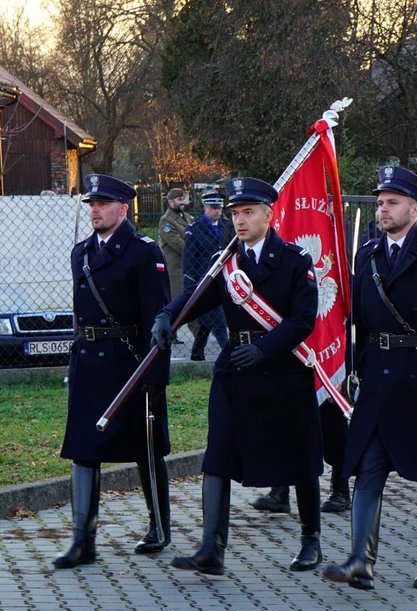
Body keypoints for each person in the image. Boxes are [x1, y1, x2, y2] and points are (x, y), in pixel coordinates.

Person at [152, 177, 324, 575]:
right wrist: (168, 315)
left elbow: (303, 320)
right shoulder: (227, 262)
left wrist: (265, 348)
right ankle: (212, 548)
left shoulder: (295, 260)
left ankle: (310, 540)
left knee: (298, 455)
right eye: (235, 213)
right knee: (219, 452)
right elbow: (198, 295)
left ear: (269, 214)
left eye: (248, 212)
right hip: (235, 369)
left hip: (283, 366)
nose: (240, 220)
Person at [324, 166, 417, 591]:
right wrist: (356, 368)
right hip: (380, 382)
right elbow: (360, 322)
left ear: (415, 208)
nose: (382, 210)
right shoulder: (366, 253)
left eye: (391, 203)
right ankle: (360, 559)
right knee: (367, 469)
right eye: (379, 202)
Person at [56, 174, 172, 568]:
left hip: (130, 363)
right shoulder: (81, 253)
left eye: (103, 204)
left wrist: (155, 379)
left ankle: (159, 526)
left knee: (146, 447)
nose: (95, 210)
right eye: (91, 204)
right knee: (83, 450)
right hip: (89, 361)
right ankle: (82, 541)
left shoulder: (144, 252)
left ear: (123, 209)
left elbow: (159, 321)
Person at [184, 190, 231, 361]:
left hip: (225, 280)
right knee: (218, 321)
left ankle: (197, 353)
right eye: (213, 208)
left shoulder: (227, 225)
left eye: (219, 207)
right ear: (205, 207)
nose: (217, 211)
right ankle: (229, 356)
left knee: (207, 320)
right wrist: (190, 285)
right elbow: (189, 260)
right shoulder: (194, 229)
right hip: (204, 281)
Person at [159, 188, 193, 341]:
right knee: (177, 302)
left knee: (192, 302)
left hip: (190, 268)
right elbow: (178, 244)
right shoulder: (166, 221)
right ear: (171, 202)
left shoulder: (187, 217)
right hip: (176, 269)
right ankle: (170, 333)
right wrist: (196, 249)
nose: (182, 202)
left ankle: (197, 337)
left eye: (183, 199)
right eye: (179, 200)